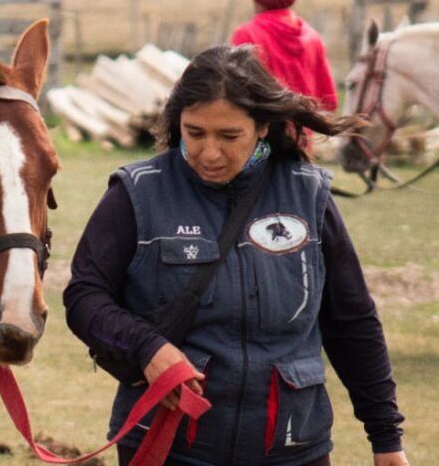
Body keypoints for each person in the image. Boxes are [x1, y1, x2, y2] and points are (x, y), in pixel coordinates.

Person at [64, 45, 409, 466]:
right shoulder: (138, 193)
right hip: (171, 446)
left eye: (229, 136)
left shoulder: (309, 195)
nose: (210, 153)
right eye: (195, 133)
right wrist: (146, 349)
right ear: (177, 123)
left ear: (262, 125)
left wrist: (386, 438)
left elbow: (352, 321)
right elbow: (84, 298)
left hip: (293, 449)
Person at [230, 0, 338, 110]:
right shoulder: (313, 37)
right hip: (304, 130)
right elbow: (329, 100)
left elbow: (236, 94)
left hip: (263, 130)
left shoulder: (247, 34)